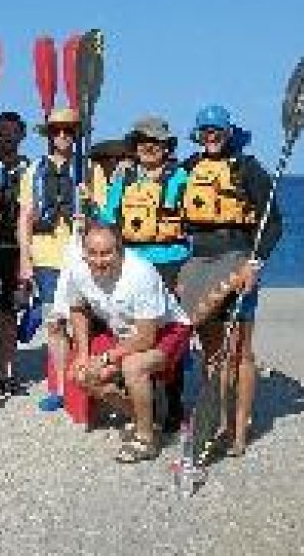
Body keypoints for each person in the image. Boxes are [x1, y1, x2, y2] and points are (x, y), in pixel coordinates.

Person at [175, 104, 282, 456]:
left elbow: (274, 224)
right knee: (212, 353)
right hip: (200, 260)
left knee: (239, 352)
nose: (211, 135)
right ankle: (217, 420)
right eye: (205, 130)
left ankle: (240, 428)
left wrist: (255, 264)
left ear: (229, 132)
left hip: (238, 257)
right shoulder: (189, 168)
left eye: (217, 130)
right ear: (198, 133)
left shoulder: (249, 169)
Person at [54, 221, 191, 463]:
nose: (98, 260)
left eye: (106, 253)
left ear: (121, 251)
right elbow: (77, 309)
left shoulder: (141, 273)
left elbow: (147, 338)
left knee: (133, 366)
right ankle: (147, 418)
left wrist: (106, 358)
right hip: (125, 332)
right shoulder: (77, 270)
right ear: (83, 251)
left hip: (167, 331)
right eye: (92, 253)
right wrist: (84, 355)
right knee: (81, 374)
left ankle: (145, 439)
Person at [99, 116, 191, 431]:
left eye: (156, 142)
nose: (149, 147)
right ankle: (142, 400)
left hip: (171, 261)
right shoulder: (124, 179)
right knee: (131, 331)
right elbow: (109, 220)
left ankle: (173, 402)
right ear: (135, 147)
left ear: (167, 147)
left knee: (167, 335)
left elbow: (196, 223)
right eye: (142, 142)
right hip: (132, 262)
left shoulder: (181, 178)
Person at [16, 107, 84, 411]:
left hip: (82, 255)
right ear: (49, 136)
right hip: (46, 255)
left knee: (82, 322)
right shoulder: (33, 170)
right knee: (55, 323)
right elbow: (25, 217)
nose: (62, 136)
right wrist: (25, 259)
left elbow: (106, 215)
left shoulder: (88, 170)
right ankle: (59, 385)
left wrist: (89, 205)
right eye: (57, 131)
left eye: (68, 131)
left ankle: (83, 379)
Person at [0, 111, 30, 394]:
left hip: (16, 247)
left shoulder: (30, 168)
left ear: (21, 136)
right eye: (1, 132)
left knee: (10, 310)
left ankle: (6, 370)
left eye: (11, 133)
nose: (6, 138)